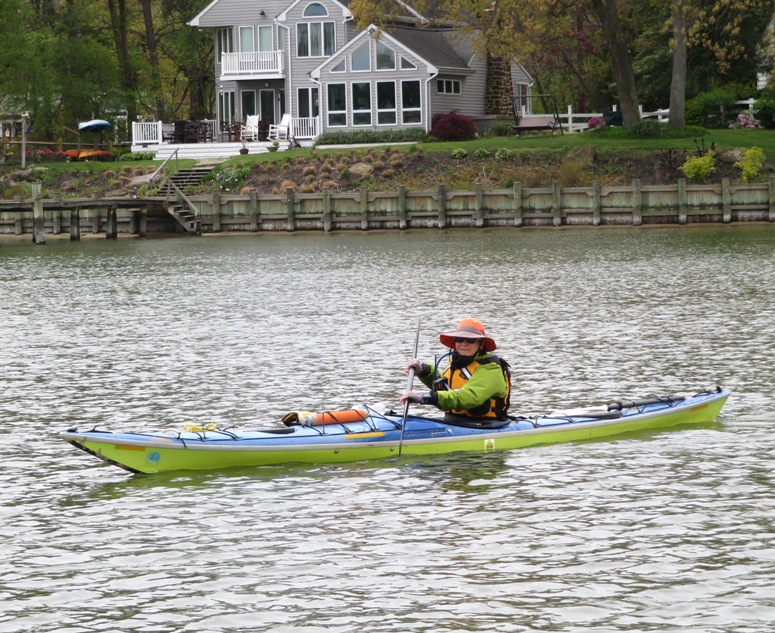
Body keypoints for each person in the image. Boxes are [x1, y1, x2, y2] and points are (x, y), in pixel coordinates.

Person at [400, 318, 511, 421]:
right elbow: (444, 384)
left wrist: (424, 397)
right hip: (453, 421)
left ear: (481, 344)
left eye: (470, 340)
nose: (464, 344)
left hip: (484, 425)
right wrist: (423, 371)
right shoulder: (456, 362)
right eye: (459, 339)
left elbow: (469, 396)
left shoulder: (490, 368)